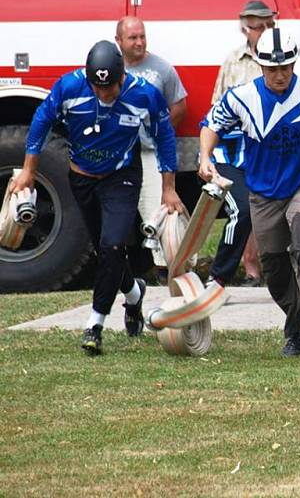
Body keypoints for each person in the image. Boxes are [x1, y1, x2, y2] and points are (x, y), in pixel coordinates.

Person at [199, 29, 300, 360]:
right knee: (273, 265)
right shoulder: (241, 97)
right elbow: (211, 125)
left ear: (294, 63)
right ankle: (296, 327)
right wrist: (205, 157)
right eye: (272, 69)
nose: (280, 75)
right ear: (260, 66)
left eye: (286, 67)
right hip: (263, 193)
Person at [10, 41, 184, 354]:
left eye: (110, 88)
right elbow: (40, 121)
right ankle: (134, 295)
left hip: (122, 176)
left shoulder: (143, 93)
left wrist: (168, 188)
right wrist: (28, 171)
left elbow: (164, 136)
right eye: (97, 88)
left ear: (122, 78)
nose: (104, 95)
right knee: (107, 253)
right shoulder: (69, 86)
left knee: (112, 245)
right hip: (82, 177)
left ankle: (95, 324)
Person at [205, 0, 278, 287]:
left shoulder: (282, 61)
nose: (258, 34)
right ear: (244, 29)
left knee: (275, 210)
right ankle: (223, 275)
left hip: (270, 152)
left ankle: (270, 269)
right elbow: (215, 111)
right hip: (234, 153)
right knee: (244, 210)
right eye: (253, 28)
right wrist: (206, 154)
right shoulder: (232, 62)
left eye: (264, 27)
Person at [115, 16, 187, 275]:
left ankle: (165, 269)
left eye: (142, 36)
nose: (139, 42)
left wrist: (157, 130)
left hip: (149, 153)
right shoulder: (111, 69)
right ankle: (120, 267)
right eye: (133, 38)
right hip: (117, 155)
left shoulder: (161, 69)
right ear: (119, 41)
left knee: (158, 211)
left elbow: (179, 105)